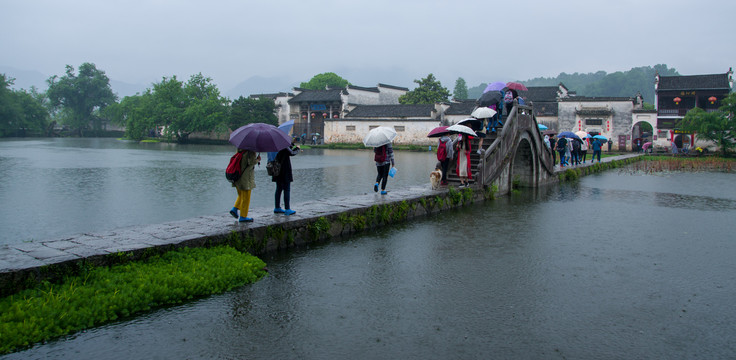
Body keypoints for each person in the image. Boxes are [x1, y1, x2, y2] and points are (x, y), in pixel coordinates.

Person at [229, 149, 260, 222]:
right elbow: (251, 162)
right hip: (246, 177)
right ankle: (243, 216)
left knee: (241, 195)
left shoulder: (239, 149)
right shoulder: (250, 150)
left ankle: (235, 208)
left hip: (238, 176)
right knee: (246, 197)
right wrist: (258, 159)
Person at [273, 140, 300, 215]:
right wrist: (297, 148)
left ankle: (277, 207)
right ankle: (287, 209)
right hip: (284, 171)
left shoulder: (275, 145)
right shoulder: (283, 146)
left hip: (276, 171)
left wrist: (291, 144)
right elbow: (291, 152)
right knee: (286, 189)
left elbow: (287, 150)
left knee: (278, 189)